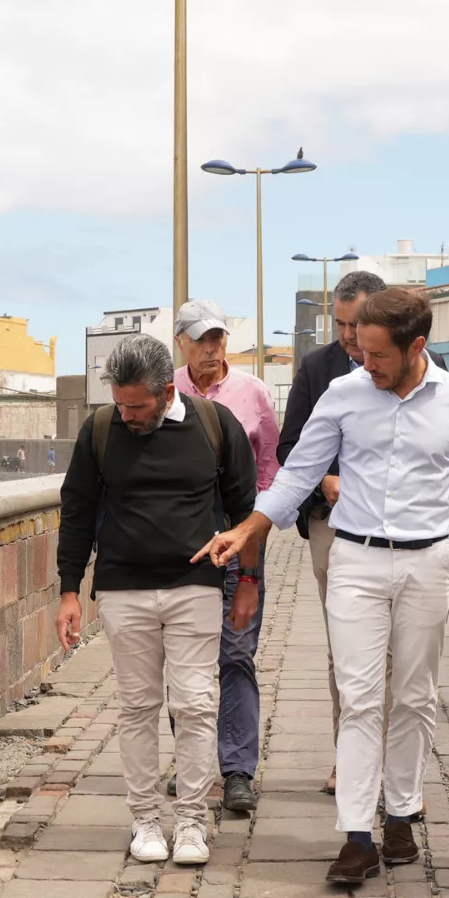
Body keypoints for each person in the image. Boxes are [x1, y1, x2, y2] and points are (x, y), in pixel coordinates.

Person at [198, 287, 449, 885]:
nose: (364, 361)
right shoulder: (344, 394)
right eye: (359, 349)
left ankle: (401, 812)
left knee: (414, 695)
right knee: (357, 697)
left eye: (378, 354)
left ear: (417, 347)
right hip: (354, 559)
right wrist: (248, 527)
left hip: (428, 562)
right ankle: (357, 835)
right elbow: (297, 472)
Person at [56, 334, 258, 865]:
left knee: (195, 704)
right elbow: (76, 510)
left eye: (136, 406)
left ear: (168, 391)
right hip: (123, 589)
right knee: (138, 707)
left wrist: (249, 583)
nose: (125, 415)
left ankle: (191, 821)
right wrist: (68, 591)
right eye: (119, 404)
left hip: (196, 586)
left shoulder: (216, 426)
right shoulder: (100, 430)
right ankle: (145, 819)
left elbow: (246, 512)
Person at [279, 270, 448, 795]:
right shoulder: (316, 369)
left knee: (405, 657)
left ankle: (397, 767)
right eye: (341, 324)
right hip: (337, 528)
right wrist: (325, 482)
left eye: (359, 325)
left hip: (415, 538)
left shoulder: (436, 374)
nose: (351, 337)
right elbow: (291, 451)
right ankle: (348, 759)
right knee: (348, 650)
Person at [173, 299, 281, 813]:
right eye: (200, 340)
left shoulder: (254, 394)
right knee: (184, 663)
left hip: (238, 543)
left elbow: (268, 476)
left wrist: (252, 560)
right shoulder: (164, 390)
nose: (211, 349)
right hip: (183, 551)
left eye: (216, 339)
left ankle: (237, 770)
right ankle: (191, 764)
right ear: (181, 343)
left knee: (236, 655)